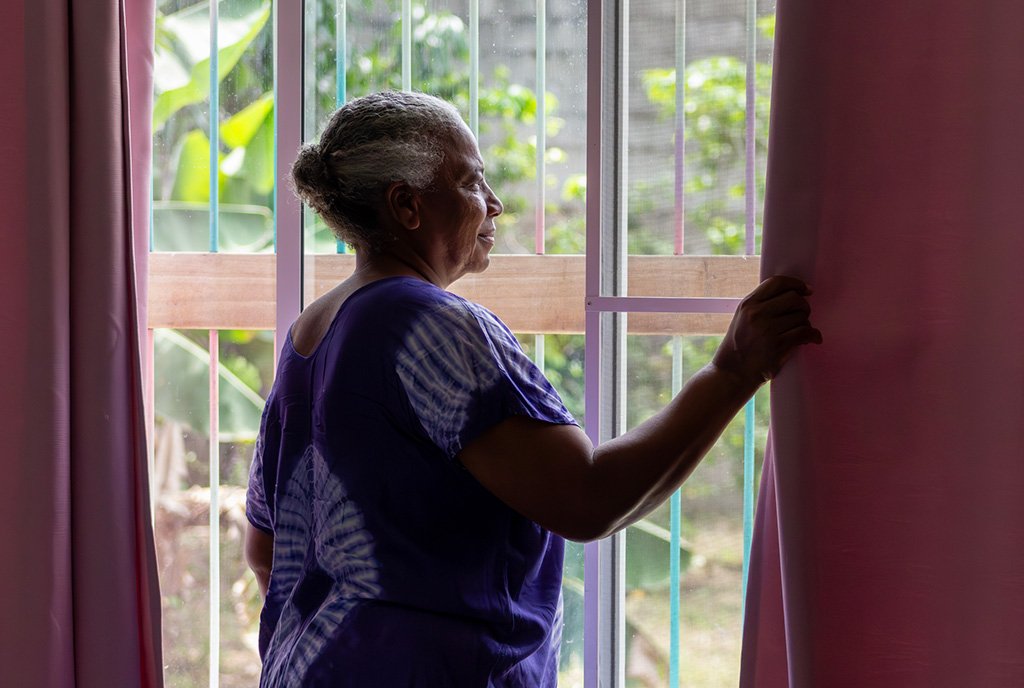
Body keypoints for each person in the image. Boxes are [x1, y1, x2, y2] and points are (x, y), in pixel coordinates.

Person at [244, 90, 821, 687]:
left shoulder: (310, 333)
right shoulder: (428, 323)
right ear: (407, 206)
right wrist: (732, 372)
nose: (494, 204)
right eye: (471, 181)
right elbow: (586, 496)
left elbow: (265, 548)